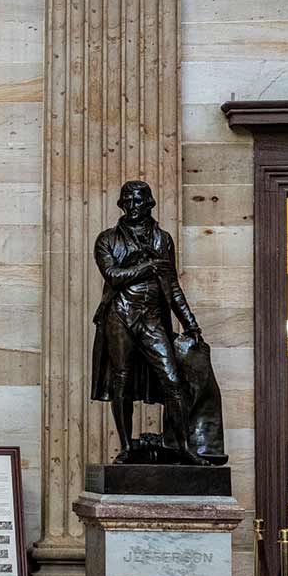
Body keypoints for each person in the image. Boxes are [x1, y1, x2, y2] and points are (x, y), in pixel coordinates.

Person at [92, 180, 208, 463]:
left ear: (149, 204)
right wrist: (148, 266)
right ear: (121, 204)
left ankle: (184, 448)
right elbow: (113, 276)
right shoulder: (107, 239)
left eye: (138, 201)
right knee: (121, 381)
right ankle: (126, 447)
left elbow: (174, 287)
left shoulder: (162, 239)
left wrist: (191, 324)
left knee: (173, 380)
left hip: (153, 319)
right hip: (120, 315)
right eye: (127, 201)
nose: (132, 206)